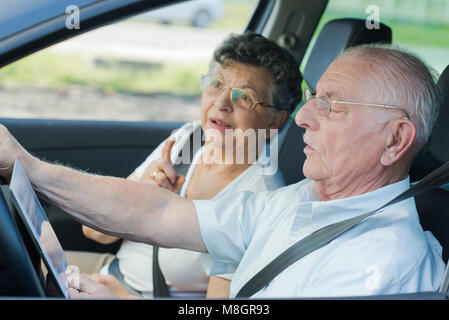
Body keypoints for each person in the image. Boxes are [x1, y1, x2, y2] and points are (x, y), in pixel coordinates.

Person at [0, 43, 445, 298]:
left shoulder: (379, 267)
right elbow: (158, 215)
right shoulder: (298, 201)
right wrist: (29, 167)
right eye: (313, 96)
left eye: (330, 104)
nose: (305, 117)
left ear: (395, 140)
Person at [57, 32, 303, 298]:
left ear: (274, 121)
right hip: (107, 274)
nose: (220, 103)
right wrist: (141, 193)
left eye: (243, 96)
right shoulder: (188, 140)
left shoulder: (260, 201)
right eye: (216, 84)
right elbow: (93, 232)